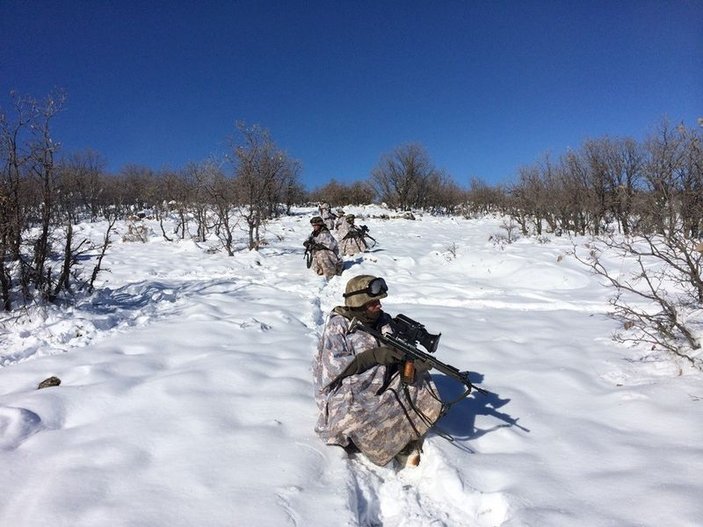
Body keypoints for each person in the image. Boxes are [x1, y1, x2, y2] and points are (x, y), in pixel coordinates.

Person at [312, 275, 443, 467]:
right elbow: (332, 368)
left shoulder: (384, 321)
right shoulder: (339, 325)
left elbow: (396, 351)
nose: (379, 306)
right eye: (373, 303)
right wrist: (373, 356)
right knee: (350, 416)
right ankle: (382, 442)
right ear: (359, 303)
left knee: (418, 380)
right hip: (349, 389)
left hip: (382, 383)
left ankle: (404, 434)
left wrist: (412, 361)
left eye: (379, 301)